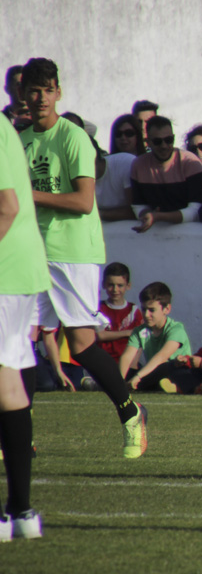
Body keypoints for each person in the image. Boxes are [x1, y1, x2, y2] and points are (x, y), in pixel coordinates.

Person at [20, 57, 148, 459]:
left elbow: (82, 200)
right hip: (32, 250)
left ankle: (130, 412)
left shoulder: (72, 136)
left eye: (47, 89)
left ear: (58, 92)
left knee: (80, 344)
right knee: (19, 341)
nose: (40, 97)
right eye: (33, 90)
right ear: (24, 94)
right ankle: (18, 433)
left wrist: (30, 195)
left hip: (73, 252)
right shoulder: (20, 139)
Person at [0, 114, 51, 540]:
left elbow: (7, 205)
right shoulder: (4, 127)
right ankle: (20, 512)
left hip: (4, 272)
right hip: (19, 271)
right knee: (10, 386)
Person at [130, 115, 202, 233]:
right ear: (148, 142)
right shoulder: (138, 165)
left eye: (168, 140)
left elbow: (196, 211)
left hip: (192, 234)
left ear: (174, 138)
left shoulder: (191, 163)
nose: (164, 146)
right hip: (156, 236)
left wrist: (158, 217)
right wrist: (147, 215)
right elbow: (138, 205)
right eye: (157, 141)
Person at [119, 282, 192, 392]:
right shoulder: (140, 331)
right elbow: (127, 356)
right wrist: (119, 382)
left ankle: (172, 387)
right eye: (144, 309)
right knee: (126, 371)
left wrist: (138, 377)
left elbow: (162, 356)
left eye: (152, 310)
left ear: (166, 309)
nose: (146, 314)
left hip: (175, 373)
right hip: (152, 373)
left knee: (167, 366)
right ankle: (116, 385)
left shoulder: (176, 329)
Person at [96, 262, 142, 368]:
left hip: (128, 364)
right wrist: (127, 333)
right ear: (103, 284)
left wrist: (134, 363)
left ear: (128, 285)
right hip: (103, 364)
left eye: (120, 285)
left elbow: (140, 340)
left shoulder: (134, 310)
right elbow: (99, 335)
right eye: (111, 285)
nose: (115, 290)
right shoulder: (97, 309)